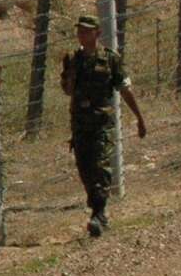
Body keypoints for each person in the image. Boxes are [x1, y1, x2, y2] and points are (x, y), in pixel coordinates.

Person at [58, 14, 147, 238]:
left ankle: (99, 214)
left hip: (101, 124)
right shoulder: (73, 59)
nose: (82, 35)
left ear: (97, 33)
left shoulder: (110, 59)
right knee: (85, 168)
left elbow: (125, 89)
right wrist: (69, 77)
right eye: (80, 31)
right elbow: (67, 91)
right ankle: (97, 210)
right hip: (80, 124)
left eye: (87, 31)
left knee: (101, 167)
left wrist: (139, 117)